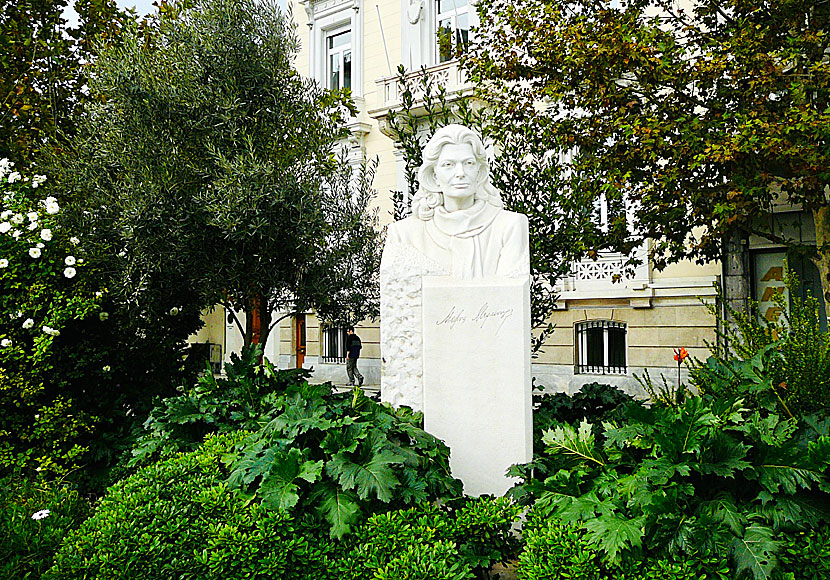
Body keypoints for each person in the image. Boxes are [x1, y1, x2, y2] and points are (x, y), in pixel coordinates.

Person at [383, 123, 529, 280]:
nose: (460, 173)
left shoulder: (510, 226)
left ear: (479, 173)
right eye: (448, 165)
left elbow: (510, 296)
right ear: (434, 176)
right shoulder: (403, 235)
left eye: (468, 163)